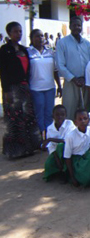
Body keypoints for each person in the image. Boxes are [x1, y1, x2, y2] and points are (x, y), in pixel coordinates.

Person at [0, 22, 42, 159]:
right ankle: (14, 151)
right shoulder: (4, 50)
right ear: (9, 33)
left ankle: (28, 148)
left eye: (20, 31)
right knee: (14, 120)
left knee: (27, 118)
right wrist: (6, 91)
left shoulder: (24, 50)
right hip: (12, 90)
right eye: (16, 31)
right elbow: (3, 72)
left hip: (24, 89)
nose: (19, 34)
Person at [56, 17, 90, 119]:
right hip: (71, 82)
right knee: (69, 111)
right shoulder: (62, 43)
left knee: (86, 110)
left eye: (79, 25)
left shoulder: (87, 44)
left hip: (86, 82)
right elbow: (60, 65)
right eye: (74, 25)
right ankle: (69, 134)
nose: (77, 28)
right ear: (70, 26)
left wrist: (85, 78)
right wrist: (74, 79)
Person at [28, 29, 62, 136]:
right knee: (39, 114)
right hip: (35, 88)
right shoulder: (28, 52)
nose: (40, 38)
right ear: (31, 39)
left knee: (49, 114)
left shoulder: (50, 51)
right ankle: (39, 138)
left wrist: (59, 86)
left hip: (50, 88)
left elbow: (55, 71)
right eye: (37, 36)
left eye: (42, 36)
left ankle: (48, 137)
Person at [64, 109, 90, 187]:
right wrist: (72, 177)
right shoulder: (70, 136)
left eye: (85, 118)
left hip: (88, 157)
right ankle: (79, 177)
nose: (83, 121)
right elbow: (67, 157)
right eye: (80, 119)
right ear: (75, 122)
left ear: (89, 120)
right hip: (78, 161)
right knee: (84, 179)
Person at [43, 105, 76, 181]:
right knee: (48, 164)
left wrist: (50, 139)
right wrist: (56, 158)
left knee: (61, 146)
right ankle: (59, 171)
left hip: (70, 150)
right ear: (53, 116)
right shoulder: (50, 128)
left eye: (62, 115)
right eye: (57, 115)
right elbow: (51, 147)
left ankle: (65, 172)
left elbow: (66, 141)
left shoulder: (69, 124)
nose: (60, 117)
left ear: (66, 115)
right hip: (57, 152)